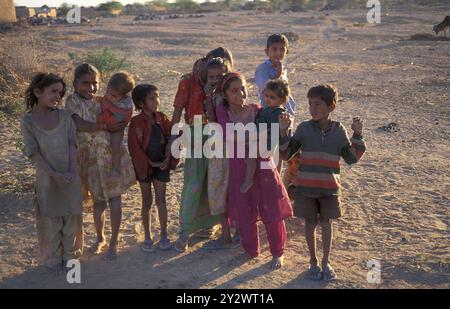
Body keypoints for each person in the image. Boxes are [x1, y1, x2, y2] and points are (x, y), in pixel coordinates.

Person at [279, 84, 366, 281]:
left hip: (329, 189)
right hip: (306, 189)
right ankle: (313, 261)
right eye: (310, 104)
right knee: (310, 223)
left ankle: (326, 262)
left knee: (326, 223)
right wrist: (284, 133)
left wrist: (358, 135)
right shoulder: (303, 128)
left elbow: (351, 158)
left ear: (331, 106)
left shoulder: (338, 130)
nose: (312, 108)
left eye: (317, 104)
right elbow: (286, 155)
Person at [215, 72, 293, 269]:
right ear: (225, 94)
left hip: (263, 164)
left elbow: (274, 134)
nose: (240, 93)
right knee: (245, 209)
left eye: (242, 88)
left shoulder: (257, 109)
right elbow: (229, 135)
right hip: (238, 166)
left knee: (271, 209)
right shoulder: (223, 112)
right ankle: (251, 249)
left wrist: (283, 129)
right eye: (234, 90)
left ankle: (277, 252)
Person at [66, 63, 135, 260]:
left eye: (94, 83)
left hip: (109, 158)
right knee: (98, 202)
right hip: (89, 160)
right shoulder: (72, 102)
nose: (90, 88)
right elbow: (80, 124)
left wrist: (118, 124)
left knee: (114, 199)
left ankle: (113, 242)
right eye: (85, 83)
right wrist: (105, 126)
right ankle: (100, 238)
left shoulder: (103, 100)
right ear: (75, 84)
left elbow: (124, 107)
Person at [21, 72, 83, 273]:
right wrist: (54, 175)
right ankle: (54, 260)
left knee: (71, 220)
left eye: (61, 93)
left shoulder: (64, 117)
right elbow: (34, 153)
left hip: (70, 175)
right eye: (53, 91)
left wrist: (72, 170)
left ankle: (71, 258)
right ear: (38, 91)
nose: (58, 96)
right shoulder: (28, 121)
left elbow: (72, 144)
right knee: (51, 221)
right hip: (47, 180)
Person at [128, 84, 178, 252]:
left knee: (161, 200)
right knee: (147, 202)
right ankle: (148, 236)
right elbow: (134, 148)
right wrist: (151, 163)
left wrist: (168, 158)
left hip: (162, 164)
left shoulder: (161, 118)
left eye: (157, 97)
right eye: (152, 98)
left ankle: (164, 235)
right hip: (145, 166)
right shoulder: (135, 123)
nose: (157, 101)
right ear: (141, 103)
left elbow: (173, 135)